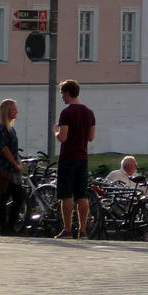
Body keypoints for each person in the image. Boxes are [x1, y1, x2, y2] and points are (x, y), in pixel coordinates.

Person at [54, 79, 96, 239]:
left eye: (62, 94)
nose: (62, 97)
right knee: (82, 195)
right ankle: (83, 230)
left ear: (67, 93)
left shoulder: (66, 113)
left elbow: (63, 137)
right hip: (82, 157)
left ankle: (67, 230)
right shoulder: (89, 112)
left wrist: (56, 131)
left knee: (66, 195)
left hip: (68, 157)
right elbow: (91, 137)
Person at [0, 99, 25, 236]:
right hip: (5, 169)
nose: (16, 112)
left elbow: (13, 149)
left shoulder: (11, 129)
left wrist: (19, 162)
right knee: (18, 196)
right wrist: (14, 163)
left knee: (5, 196)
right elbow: (4, 149)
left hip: (11, 169)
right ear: (7, 111)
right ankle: (8, 227)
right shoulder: (1, 128)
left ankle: (5, 227)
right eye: (14, 109)